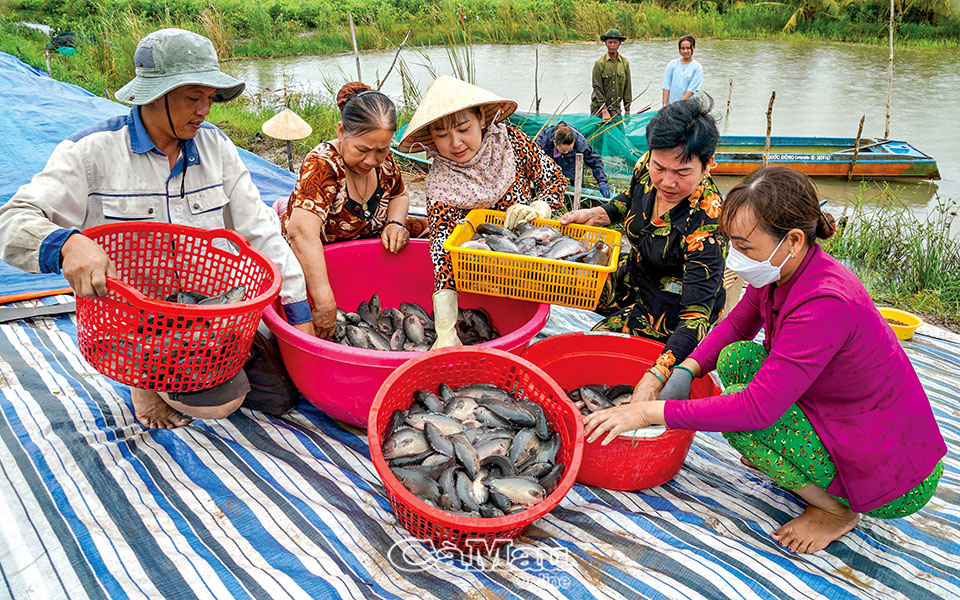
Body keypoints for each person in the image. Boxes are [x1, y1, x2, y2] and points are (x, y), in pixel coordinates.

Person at [583, 166, 947, 554]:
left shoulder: (825, 302)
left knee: (745, 422)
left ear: (791, 240)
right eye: (732, 245)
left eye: (744, 247)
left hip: (895, 470)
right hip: (842, 414)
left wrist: (646, 414)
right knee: (736, 357)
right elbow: (736, 326)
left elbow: (755, 410)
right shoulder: (783, 271)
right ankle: (800, 467)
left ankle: (836, 511)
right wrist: (685, 369)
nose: (735, 259)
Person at [0, 28, 316, 429]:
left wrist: (298, 304)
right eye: (192, 97)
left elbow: (260, 228)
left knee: (280, 396)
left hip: (207, 313)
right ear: (154, 94)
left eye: (209, 98)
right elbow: (12, 219)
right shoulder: (92, 151)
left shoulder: (216, 148)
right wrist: (67, 245)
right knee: (217, 406)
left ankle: (188, 374)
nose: (204, 110)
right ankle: (145, 385)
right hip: (133, 321)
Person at [560, 96, 726, 378]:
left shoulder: (707, 221)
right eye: (660, 168)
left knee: (596, 353)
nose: (667, 182)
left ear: (708, 163)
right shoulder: (646, 165)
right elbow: (629, 198)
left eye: (682, 172)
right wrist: (601, 213)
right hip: (634, 275)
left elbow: (695, 316)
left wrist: (660, 372)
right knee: (568, 286)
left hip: (668, 308)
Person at [397, 75, 567, 349]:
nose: (455, 143)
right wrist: (445, 324)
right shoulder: (440, 185)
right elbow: (442, 245)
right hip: (478, 279)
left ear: (482, 120)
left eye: (464, 128)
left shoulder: (511, 143)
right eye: (442, 135)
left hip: (530, 271)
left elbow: (554, 179)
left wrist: (540, 207)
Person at [276, 82, 426, 340]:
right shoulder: (323, 166)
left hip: (367, 241)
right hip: (321, 253)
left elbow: (400, 194)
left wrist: (395, 223)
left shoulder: (384, 163)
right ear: (341, 131)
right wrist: (324, 301)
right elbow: (301, 233)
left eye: (381, 150)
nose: (371, 160)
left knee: (435, 233)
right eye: (362, 150)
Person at [535, 122, 611, 198]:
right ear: (555, 143)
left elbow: (594, 161)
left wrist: (602, 181)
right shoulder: (544, 141)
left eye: (569, 149)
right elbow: (534, 159)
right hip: (551, 163)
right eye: (564, 151)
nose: (566, 152)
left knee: (577, 187)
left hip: (573, 163)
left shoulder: (580, 143)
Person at [591, 29, 632, 122]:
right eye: (610, 42)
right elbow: (597, 87)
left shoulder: (625, 63)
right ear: (606, 43)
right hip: (598, 108)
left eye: (615, 42)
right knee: (597, 135)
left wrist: (627, 110)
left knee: (618, 134)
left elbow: (627, 87)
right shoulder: (599, 63)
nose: (612, 45)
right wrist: (604, 110)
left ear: (619, 43)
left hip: (615, 108)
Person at [662, 35, 704, 107]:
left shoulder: (697, 68)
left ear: (693, 48)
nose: (685, 51)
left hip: (686, 108)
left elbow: (690, 91)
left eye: (688, 48)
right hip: (670, 107)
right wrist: (664, 105)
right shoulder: (672, 64)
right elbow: (666, 86)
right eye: (682, 48)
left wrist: (677, 107)